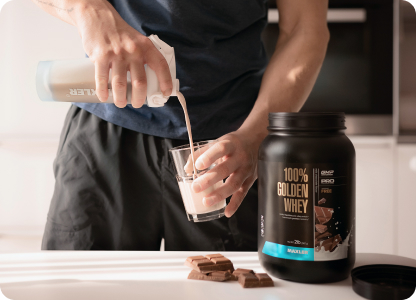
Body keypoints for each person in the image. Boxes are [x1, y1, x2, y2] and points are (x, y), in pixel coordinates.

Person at [32, 0, 329, 250]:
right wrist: (87, 8)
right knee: (78, 284)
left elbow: (304, 29)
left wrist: (254, 137)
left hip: (232, 146)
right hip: (107, 126)